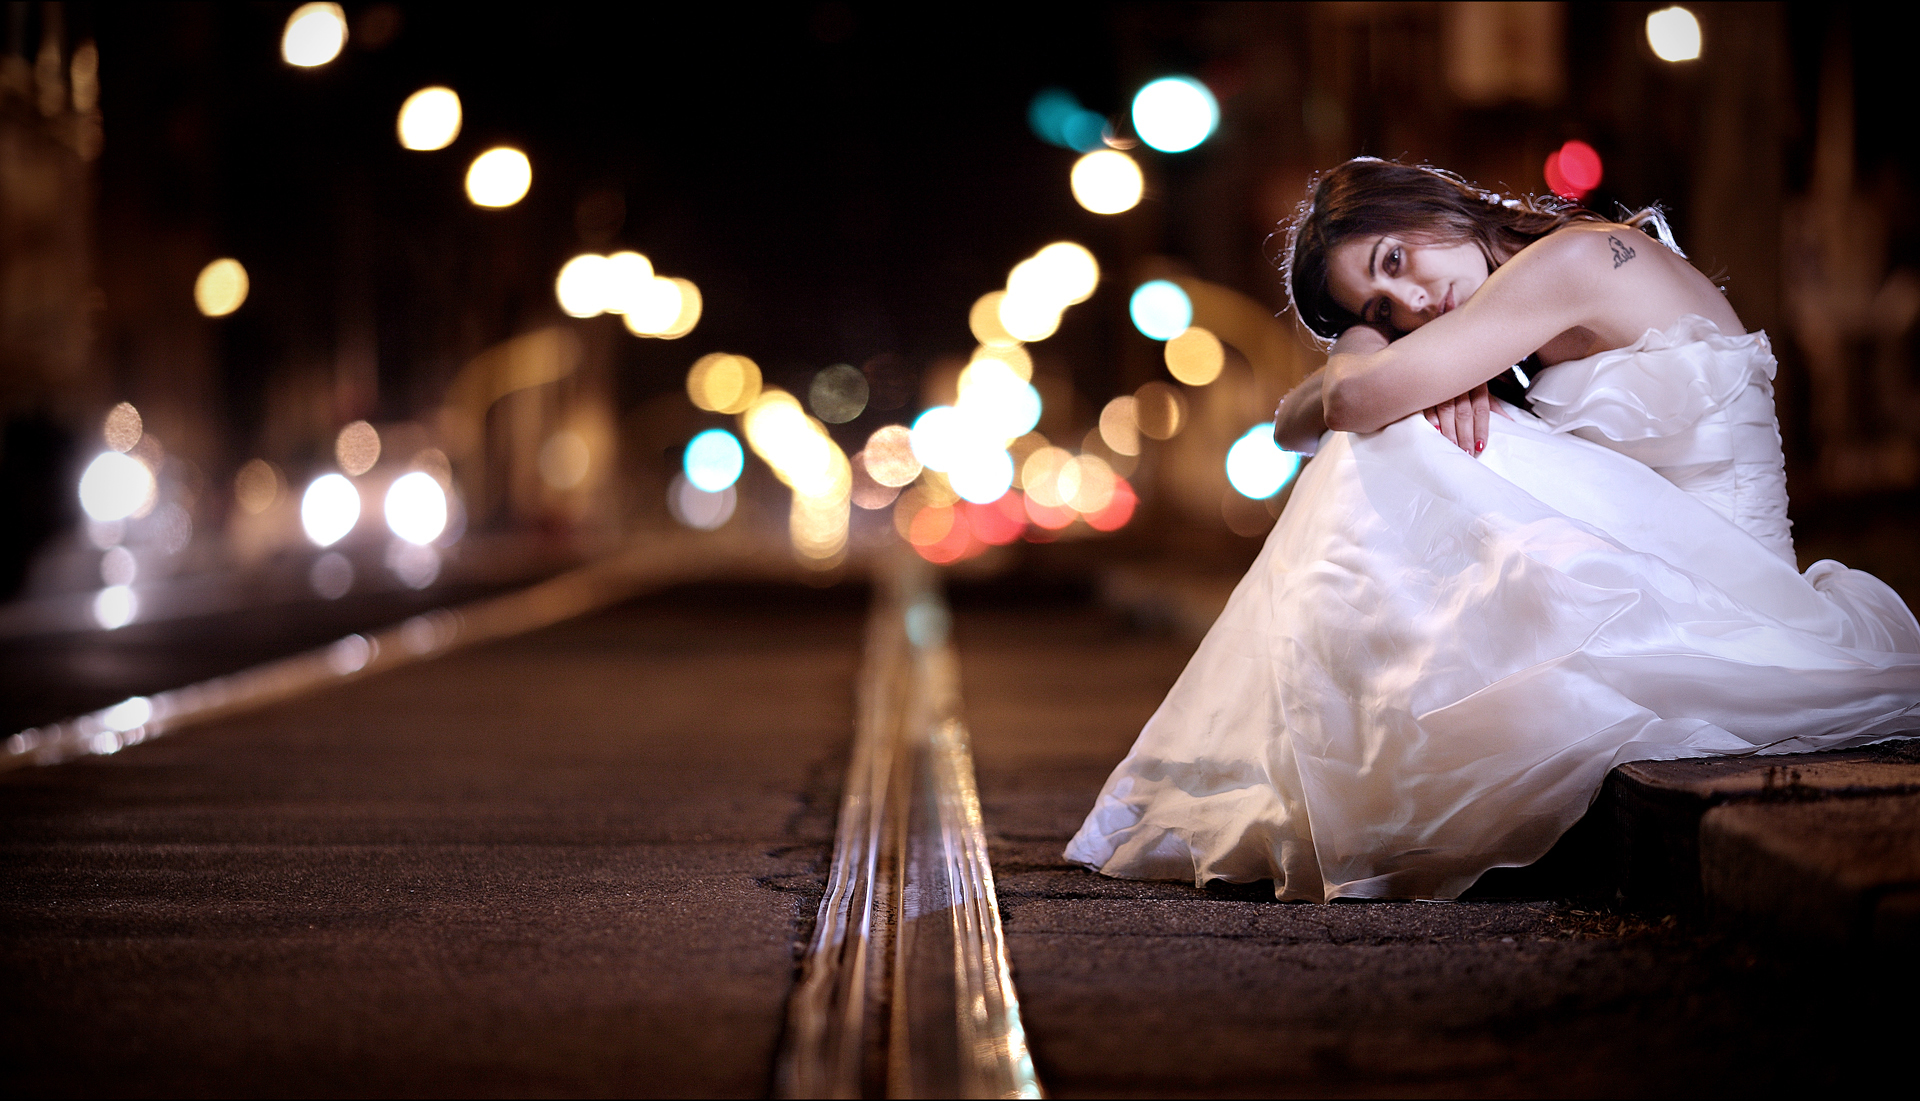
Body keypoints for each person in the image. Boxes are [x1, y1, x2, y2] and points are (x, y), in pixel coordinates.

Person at [1066, 158, 1920, 901]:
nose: (1412, 301)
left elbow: (1349, 406)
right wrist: (1375, 349)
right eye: (1384, 306)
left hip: (1732, 597)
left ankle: (1315, 762)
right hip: (1661, 579)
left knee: (1391, 435)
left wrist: (1380, 368)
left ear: (1430, 201)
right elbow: (1301, 419)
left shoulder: (1578, 259)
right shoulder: (1504, 312)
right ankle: (1328, 760)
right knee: (1394, 432)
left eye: (1394, 260)